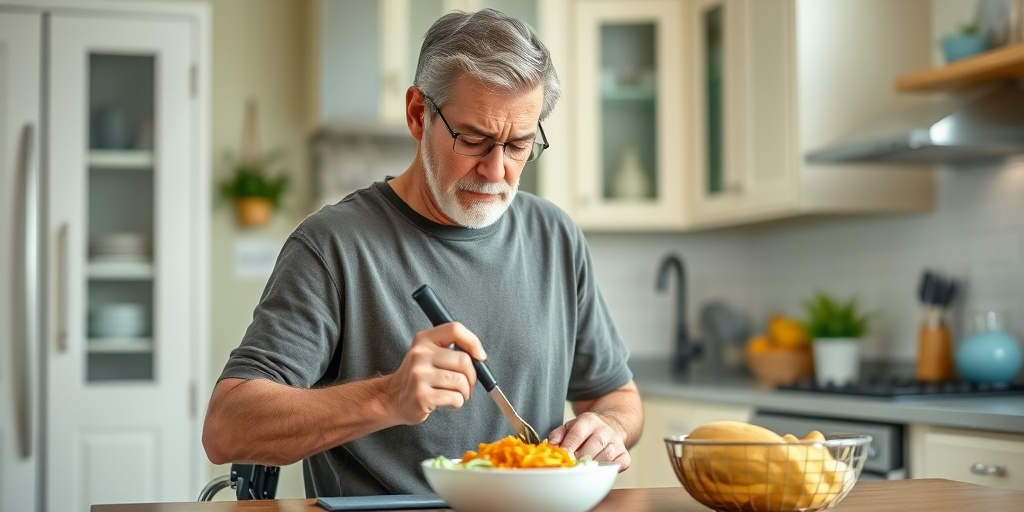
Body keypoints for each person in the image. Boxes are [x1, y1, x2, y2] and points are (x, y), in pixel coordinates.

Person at [202, 8, 643, 498]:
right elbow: (227, 427)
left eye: (519, 145)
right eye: (473, 139)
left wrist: (608, 427)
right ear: (418, 114)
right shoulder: (333, 245)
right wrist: (385, 398)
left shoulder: (555, 236)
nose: (496, 171)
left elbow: (617, 396)